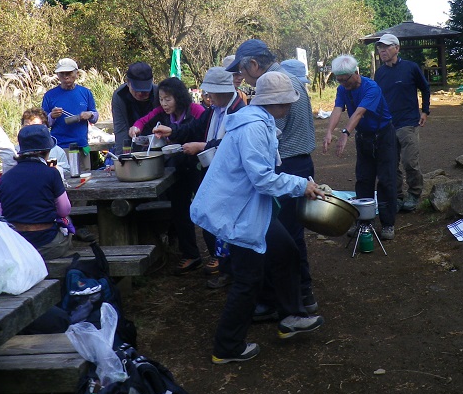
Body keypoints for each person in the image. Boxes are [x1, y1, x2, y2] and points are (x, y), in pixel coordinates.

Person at [190, 72, 325, 364]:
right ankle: (227, 347)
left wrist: (301, 184)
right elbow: (262, 179)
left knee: (286, 250)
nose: (289, 107)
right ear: (274, 103)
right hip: (236, 212)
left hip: (250, 207)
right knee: (247, 279)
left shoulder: (260, 122)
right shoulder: (253, 128)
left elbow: (266, 173)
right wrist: (301, 186)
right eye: (286, 102)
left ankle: (291, 316)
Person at [226, 39, 319, 311]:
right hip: (298, 163)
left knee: (282, 238)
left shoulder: (275, 86)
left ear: (254, 65)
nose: (241, 78)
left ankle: (290, 299)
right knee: (290, 235)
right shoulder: (288, 78)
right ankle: (300, 294)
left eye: (242, 71)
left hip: (287, 167)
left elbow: (266, 134)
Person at [154, 67, 246, 286]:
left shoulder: (238, 111)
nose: (208, 97)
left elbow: (234, 142)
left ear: (223, 91)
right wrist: (172, 132)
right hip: (213, 171)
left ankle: (232, 271)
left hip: (231, 176)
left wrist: (202, 146)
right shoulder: (214, 110)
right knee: (213, 217)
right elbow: (195, 126)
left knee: (227, 221)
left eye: (211, 93)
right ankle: (224, 267)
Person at [134, 78, 206, 274]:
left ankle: (218, 256)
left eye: (168, 99)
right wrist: (136, 128)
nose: (164, 104)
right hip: (177, 166)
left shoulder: (196, 111)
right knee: (180, 209)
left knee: (206, 208)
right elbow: (143, 121)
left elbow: (206, 136)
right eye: (161, 99)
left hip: (199, 164)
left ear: (179, 97)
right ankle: (191, 255)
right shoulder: (161, 112)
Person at [323, 54, 398, 240]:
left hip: (384, 136)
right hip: (364, 137)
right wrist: (329, 132)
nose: (343, 84)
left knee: (386, 179)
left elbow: (358, 113)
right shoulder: (343, 89)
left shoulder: (371, 87)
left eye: (345, 79)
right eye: (338, 80)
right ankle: (364, 220)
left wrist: (345, 134)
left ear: (356, 73)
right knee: (363, 179)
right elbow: (338, 109)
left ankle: (388, 223)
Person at [0, 125, 74, 260]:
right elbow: (64, 210)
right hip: (47, 244)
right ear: (47, 150)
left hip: (18, 244)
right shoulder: (51, 173)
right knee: (68, 225)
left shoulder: (5, 178)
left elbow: (0, 213)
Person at [373, 33, 430, 212]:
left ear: (397, 48)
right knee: (391, 163)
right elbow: (376, 98)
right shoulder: (380, 73)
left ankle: (414, 194)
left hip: (408, 122)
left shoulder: (410, 68)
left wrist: (425, 111)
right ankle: (396, 196)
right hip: (387, 125)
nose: (382, 50)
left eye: (386, 47)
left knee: (409, 162)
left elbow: (425, 88)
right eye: (380, 47)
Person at [41, 58, 99, 152]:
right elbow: (43, 123)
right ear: (57, 75)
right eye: (62, 74)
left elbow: (95, 117)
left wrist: (90, 114)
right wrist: (52, 116)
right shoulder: (49, 95)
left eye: (68, 73)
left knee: (85, 167)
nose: (65, 77)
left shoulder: (85, 92)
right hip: (59, 147)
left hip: (82, 146)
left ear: (77, 74)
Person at [110, 61, 159, 160]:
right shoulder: (120, 96)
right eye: (137, 89)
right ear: (128, 82)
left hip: (158, 145)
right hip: (133, 145)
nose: (141, 94)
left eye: (145, 90)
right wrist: (121, 159)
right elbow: (121, 130)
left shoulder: (159, 93)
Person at [17, 107, 69, 179]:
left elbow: (67, 172)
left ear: (45, 127)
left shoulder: (58, 151)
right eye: (27, 126)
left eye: (35, 126)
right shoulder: (16, 151)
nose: (30, 130)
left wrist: (57, 170)